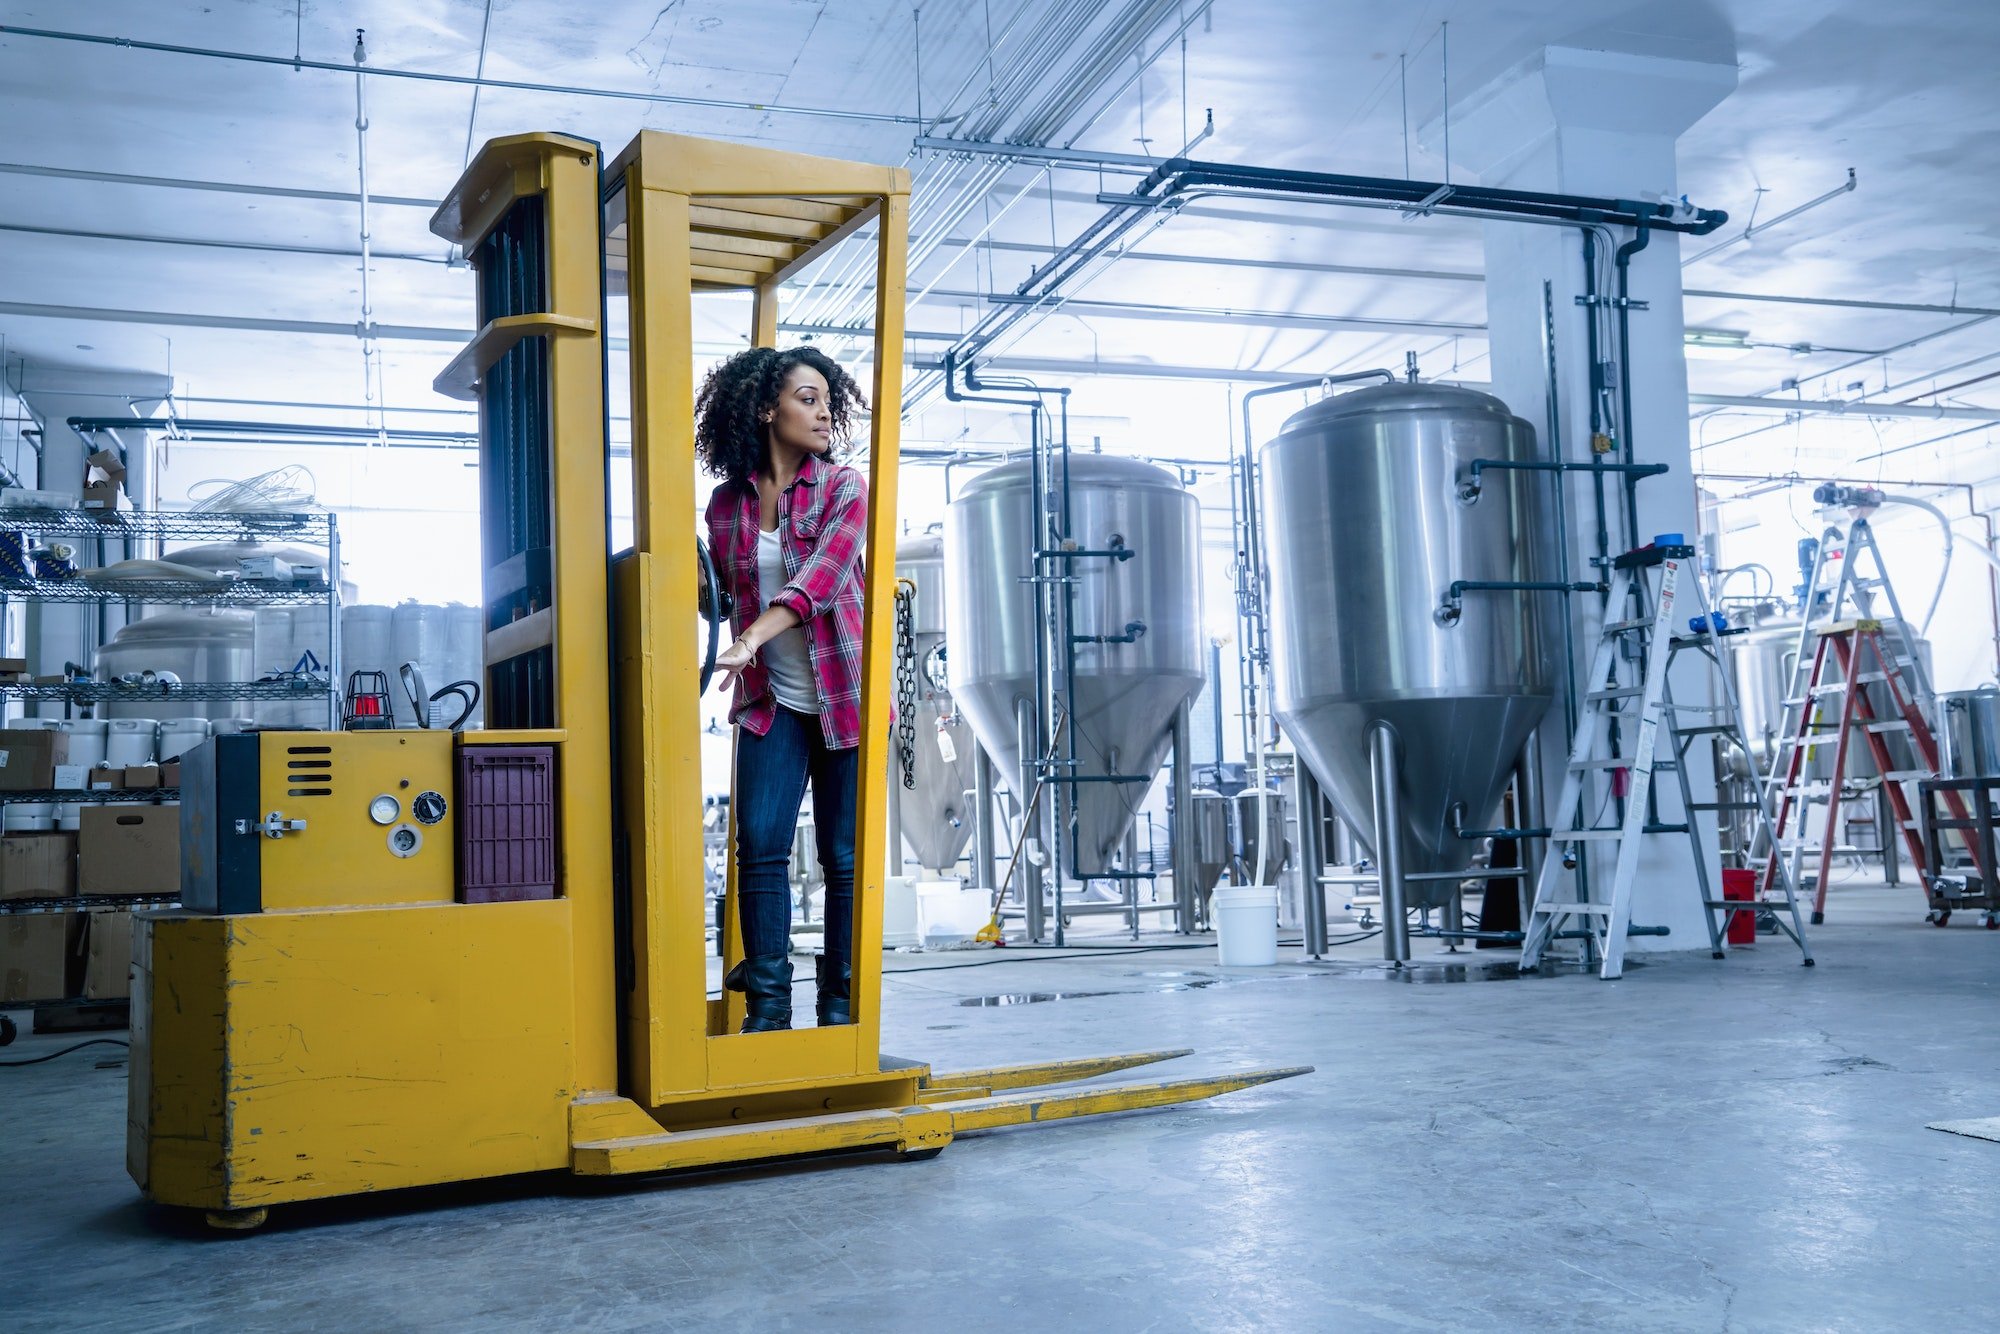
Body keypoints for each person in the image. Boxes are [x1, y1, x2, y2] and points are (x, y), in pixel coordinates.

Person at [701, 345, 870, 1033]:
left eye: (829, 399)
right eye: (808, 397)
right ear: (767, 407)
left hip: (845, 695)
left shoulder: (843, 487)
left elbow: (819, 585)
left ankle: (841, 1006)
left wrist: (747, 640)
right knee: (760, 846)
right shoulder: (725, 504)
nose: (824, 410)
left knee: (843, 857)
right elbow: (718, 598)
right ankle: (769, 1009)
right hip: (773, 702)